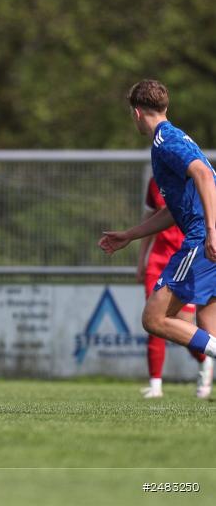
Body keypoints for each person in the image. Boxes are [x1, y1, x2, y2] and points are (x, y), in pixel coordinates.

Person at [99, 80, 216, 382]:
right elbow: (171, 211)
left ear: (136, 113)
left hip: (202, 238)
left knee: (154, 318)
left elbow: (204, 174)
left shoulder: (166, 140)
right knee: (206, 320)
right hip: (205, 233)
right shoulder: (173, 138)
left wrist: (211, 231)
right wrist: (130, 234)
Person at [137, 176, 212, 398]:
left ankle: (206, 359)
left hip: (187, 260)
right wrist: (141, 260)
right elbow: (151, 218)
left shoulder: (197, 180)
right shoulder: (155, 182)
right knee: (152, 319)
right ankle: (155, 384)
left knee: (182, 326)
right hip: (158, 260)